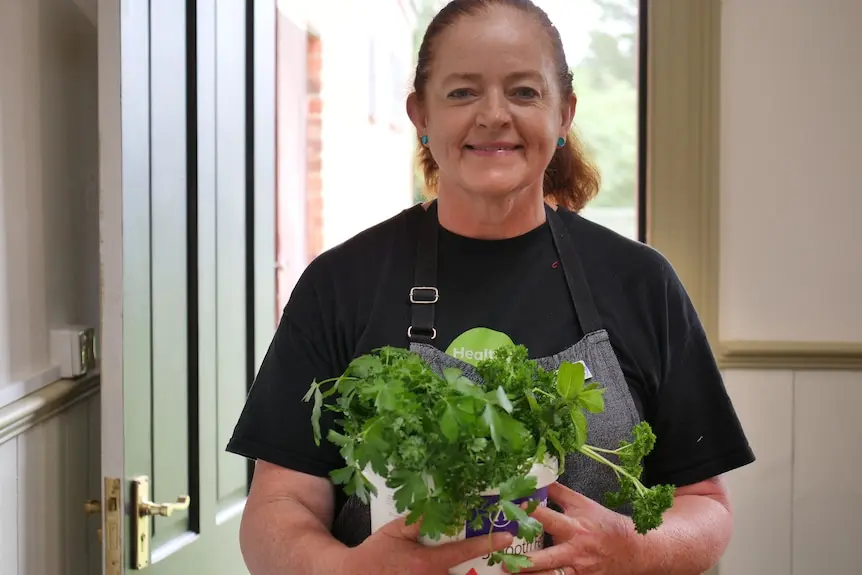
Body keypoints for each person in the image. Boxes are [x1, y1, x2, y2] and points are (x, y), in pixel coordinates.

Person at [226, 0, 756, 573]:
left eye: (525, 92)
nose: (494, 115)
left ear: (565, 113)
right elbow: (276, 511)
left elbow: (705, 506)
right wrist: (348, 571)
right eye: (462, 93)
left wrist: (637, 549)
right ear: (419, 114)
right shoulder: (340, 284)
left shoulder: (641, 282)